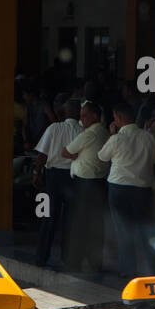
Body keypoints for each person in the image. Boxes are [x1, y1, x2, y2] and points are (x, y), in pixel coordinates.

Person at [98, 102, 155, 277]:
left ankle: (128, 271)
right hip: (143, 189)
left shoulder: (117, 139)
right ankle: (150, 270)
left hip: (119, 189)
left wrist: (111, 134)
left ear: (117, 119)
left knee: (123, 230)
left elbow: (102, 156)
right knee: (145, 230)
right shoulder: (149, 138)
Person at [32, 98, 81, 268]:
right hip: (72, 177)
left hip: (52, 178)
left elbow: (42, 155)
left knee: (47, 217)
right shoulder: (82, 131)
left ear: (65, 112)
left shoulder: (54, 128)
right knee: (69, 219)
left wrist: (36, 173)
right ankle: (67, 258)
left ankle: (41, 257)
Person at [62, 100, 109, 273]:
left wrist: (76, 154)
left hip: (85, 184)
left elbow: (66, 151)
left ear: (94, 116)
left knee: (80, 224)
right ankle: (95, 263)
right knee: (96, 224)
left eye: (84, 115)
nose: (81, 119)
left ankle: (75, 262)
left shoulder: (90, 133)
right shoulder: (103, 132)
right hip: (98, 183)